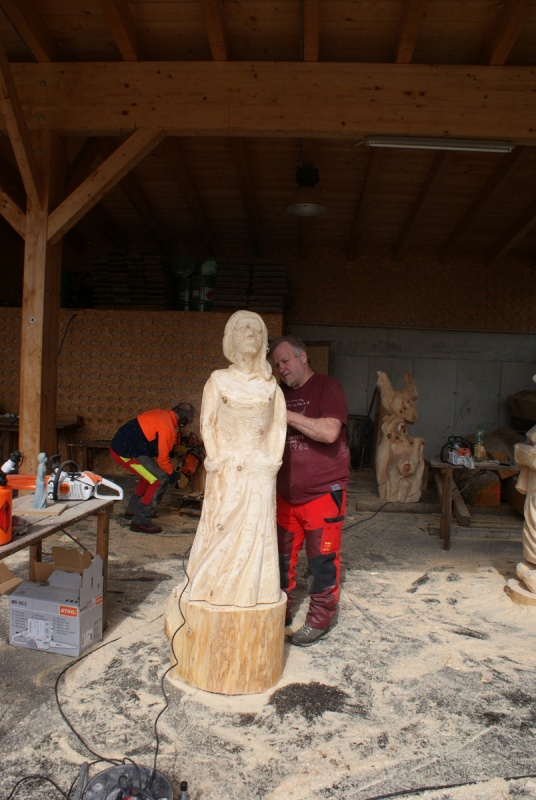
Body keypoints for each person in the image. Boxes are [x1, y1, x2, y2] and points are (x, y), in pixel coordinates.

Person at [184, 310, 287, 607]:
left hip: (259, 469)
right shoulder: (218, 380)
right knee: (221, 526)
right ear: (231, 337)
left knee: (255, 532)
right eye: (243, 329)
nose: (250, 334)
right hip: (227, 467)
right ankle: (210, 587)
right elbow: (208, 423)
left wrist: (271, 462)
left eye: (256, 330)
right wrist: (216, 458)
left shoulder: (270, 385)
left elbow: (278, 426)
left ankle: (252, 593)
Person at [268, 335, 350, 647]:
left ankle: (320, 619)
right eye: (277, 364)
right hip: (286, 494)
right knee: (280, 559)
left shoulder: (328, 387)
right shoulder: (279, 393)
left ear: (303, 357)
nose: (281, 368)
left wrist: (284, 414)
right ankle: (281, 610)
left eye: (285, 360)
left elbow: (329, 432)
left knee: (322, 562)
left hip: (322, 493)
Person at [110, 401, 195, 533]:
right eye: (188, 421)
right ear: (183, 421)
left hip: (128, 447)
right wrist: (174, 476)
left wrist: (170, 451)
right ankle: (141, 521)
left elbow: (151, 438)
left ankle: (133, 511)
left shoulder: (160, 414)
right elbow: (162, 461)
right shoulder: (167, 428)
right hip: (125, 453)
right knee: (159, 480)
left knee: (149, 475)